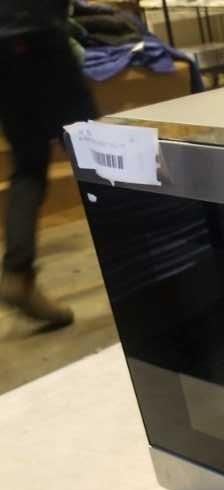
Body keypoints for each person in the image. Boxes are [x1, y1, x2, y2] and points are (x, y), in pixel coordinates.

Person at [0, 1, 95, 326]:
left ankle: (17, 273)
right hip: (37, 30)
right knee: (92, 144)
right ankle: (142, 255)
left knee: (29, 164)